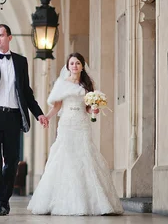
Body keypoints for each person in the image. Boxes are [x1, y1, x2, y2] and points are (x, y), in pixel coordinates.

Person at [27, 52, 124, 216]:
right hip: (66, 124)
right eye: (72, 63)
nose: (74, 66)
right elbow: (57, 107)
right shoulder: (62, 84)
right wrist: (47, 117)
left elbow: (89, 107)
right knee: (65, 158)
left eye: (77, 63)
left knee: (85, 156)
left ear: (82, 66)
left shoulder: (87, 84)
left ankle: (92, 201)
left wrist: (94, 109)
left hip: (82, 123)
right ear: (67, 66)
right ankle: (63, 201)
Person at [0, 23, 48, 216]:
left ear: (9, 37)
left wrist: (38, 113)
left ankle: (4, 199)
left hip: (13, 116)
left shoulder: (21, 62)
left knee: (12, 161)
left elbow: (26, 92)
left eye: (1, 35)